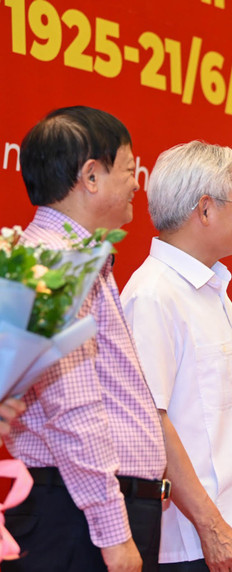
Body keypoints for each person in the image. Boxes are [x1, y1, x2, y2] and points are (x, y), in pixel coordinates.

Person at [121, 141, 232, 571]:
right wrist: (212, 526)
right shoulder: (152, 296)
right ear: (205, 209)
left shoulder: (213, 290)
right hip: (202, 543)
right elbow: (152, 422)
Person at [4, 106, 167, 572]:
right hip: (76, 519)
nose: (138, 183)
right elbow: (73, 410)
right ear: (90, 177)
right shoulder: (53, 265)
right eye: (131, 170)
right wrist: (114, 534)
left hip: (82, 511)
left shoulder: (71, 258)